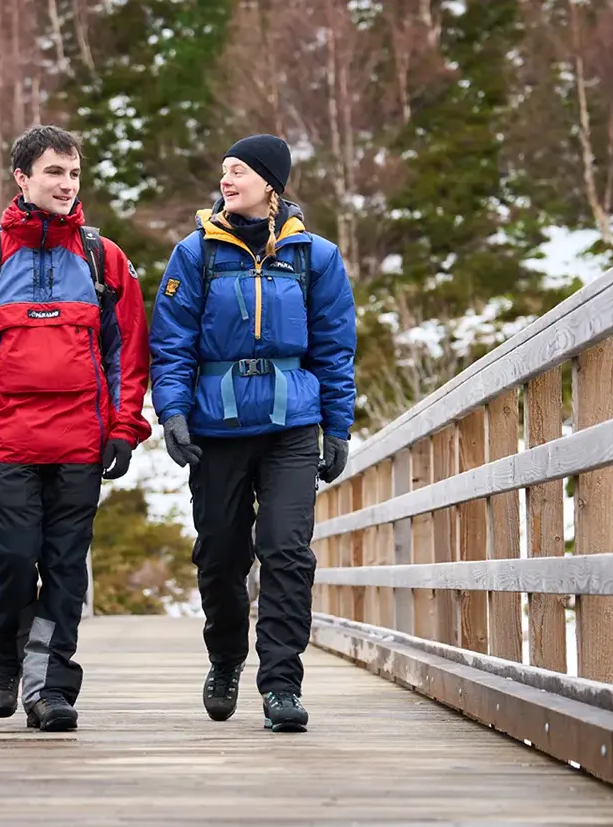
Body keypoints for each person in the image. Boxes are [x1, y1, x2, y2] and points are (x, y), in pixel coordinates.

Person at [0, 125, 150, 732]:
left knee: (64, 569)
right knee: (11, 558)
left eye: (74, 173)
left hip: (81, 443)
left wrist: (124, 428)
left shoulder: (104, 259)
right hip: (9, 441)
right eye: (54, 172)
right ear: (22, 178)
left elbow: (128, 353)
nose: (66, 184)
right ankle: (4, 661)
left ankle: (50, 686)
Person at [148, 134, 356, 733]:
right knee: (220, 554)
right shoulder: (196, 254)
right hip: (218, 427)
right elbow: (171, 341)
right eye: (224, 171)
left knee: (287, 551)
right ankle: (225, 658)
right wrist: (173, 413)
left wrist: (337, 426)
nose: (227, 180)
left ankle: (282, 684)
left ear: (271, 184)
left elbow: (335, 349)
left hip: (292, 426)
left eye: (239, 170)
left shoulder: (315, 257)